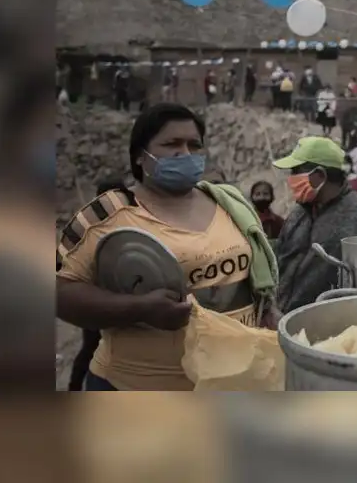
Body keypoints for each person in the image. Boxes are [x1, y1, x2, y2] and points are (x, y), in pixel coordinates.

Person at [56, 103, 280, 391]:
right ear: (140, 156)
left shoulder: (227, 202)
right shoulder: (107, 214)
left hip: (232, 381)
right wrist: (139, 309)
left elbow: (256, 278)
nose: (185, 153)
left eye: (194, 145)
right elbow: (60, 291)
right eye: (172, 144)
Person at [272, 137, 357, 312]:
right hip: (285, 321)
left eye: (296, 171)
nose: (291, 179)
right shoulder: (298, 214)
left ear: (319, 176)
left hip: (330, 326)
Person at [67, 177, 129, 392]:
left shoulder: (131, 223)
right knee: (92, 346)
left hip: (120, 296)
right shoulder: (90, 228)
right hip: (97, 297)